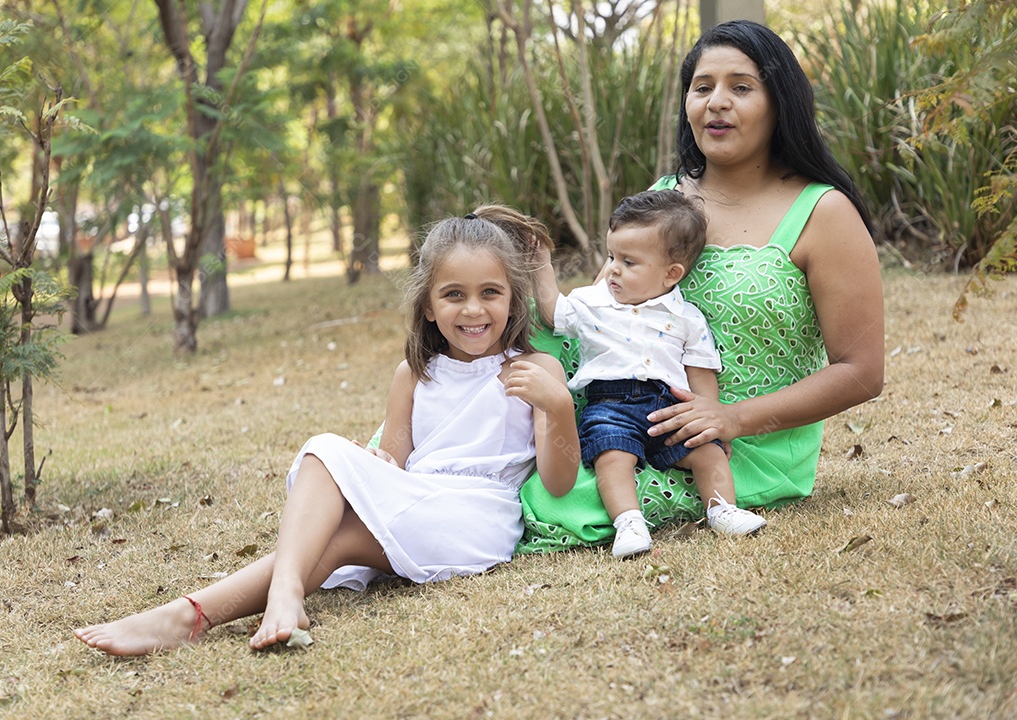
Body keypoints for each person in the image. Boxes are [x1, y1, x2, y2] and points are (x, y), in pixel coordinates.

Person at [74, 216, 579, 655]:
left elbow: (558, 483)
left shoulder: (535, 369)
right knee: (325, 458)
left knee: (337, 528)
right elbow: (395, 461)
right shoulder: (415, 374)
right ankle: (216, 610)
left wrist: (557, 406)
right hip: (415, 497)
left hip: (473, 517)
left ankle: (205, 611)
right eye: (454, 295)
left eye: (490, 293)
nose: (473, 310)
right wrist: (377, 462)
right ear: (428, 305)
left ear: (513, 299)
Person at [516, 19, 884, 553]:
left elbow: (861, 372)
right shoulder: (666, 199)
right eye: (702, 86)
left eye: (741, 87)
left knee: (553, 506)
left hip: (739, 443)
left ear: (780, 102)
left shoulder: (824, 212)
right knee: (502, 358)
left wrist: (729, 417)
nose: (717, 102)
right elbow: (603, 308)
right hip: (625, 409)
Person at [532, 190, 767, 559]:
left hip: (669, 405)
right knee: (612, 454)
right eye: (611, 257)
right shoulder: (592, 303)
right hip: (610, 404)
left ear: (671, 273)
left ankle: (722, 508)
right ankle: (628, 521)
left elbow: (701, 372)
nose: (612, 269)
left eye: (628, 261)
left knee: (708, 453)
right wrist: (541, 264)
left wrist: (711, 417)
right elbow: (551, 312)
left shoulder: (687, 317)